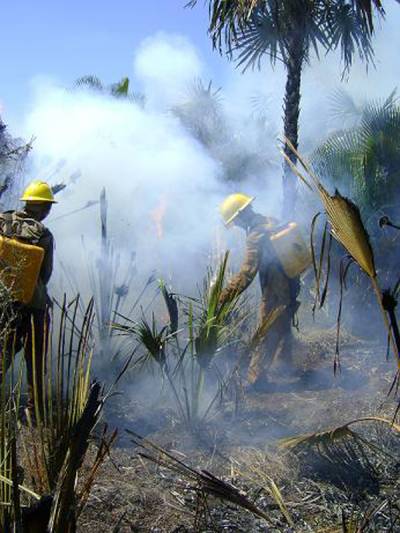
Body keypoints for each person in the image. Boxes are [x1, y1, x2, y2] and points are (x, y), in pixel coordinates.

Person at [219, 193, 300, 390]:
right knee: (284, 320)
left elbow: (247, 272)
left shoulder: (256, 234)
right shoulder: (269, 221)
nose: (236, 225)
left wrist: (223, 297)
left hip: (276, 287)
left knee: (267, 329)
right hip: (291, 281)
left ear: (241, 215)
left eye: (235, 221)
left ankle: (257, 378)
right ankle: (284, 364)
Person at [0, 180, 56, 411]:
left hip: (4, 302)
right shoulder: (43, 234)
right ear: (43, 208)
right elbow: (45, 273)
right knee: (35, 356)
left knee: (3, 352)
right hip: (33, 305)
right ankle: (35, 409)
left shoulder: (2, 221)